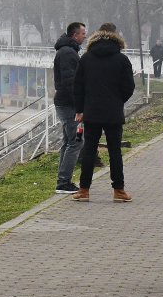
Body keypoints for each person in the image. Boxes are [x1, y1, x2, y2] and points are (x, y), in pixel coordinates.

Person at [72, 23, 135, 203]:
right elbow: (129, 86)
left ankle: (84, 190)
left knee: (90, 150)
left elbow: (78, 86)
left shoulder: (86, 58)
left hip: (91, 112)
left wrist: (80, 109)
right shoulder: (122, 60)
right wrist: (118, 100)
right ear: (116, 37)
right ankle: (119, 190)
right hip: (113, 112)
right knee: (115, 151)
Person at [53, 22, 87, 194]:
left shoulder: (68, 51)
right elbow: (70, 82)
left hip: (65, 102)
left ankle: (63, 180)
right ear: (75, 35)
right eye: (83, 33)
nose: (85, 36)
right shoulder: (68, 53)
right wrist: (79, 107)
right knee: (76, 142)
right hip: (69, 104)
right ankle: (63, 182)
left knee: (68, 142)